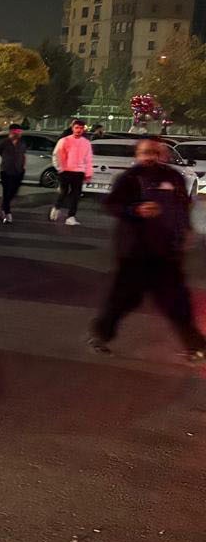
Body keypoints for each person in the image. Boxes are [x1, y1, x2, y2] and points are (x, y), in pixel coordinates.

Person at [89, 136, 206, 361]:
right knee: (124, 299)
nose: (150, 157)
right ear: (137, 155)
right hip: (135, 253)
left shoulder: (174, 177)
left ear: (162, 154)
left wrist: (186, 231)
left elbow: (182, 207)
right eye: (145, 153)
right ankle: (99, 336)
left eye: (154, 152)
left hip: (166, 252)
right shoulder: (130, 178)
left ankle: (196, 346)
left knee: (177, 301)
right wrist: (135, 210)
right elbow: (111, 204)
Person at [51, 119, 93, 225]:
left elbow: (88, 159)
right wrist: (60, 169)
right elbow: (56, 155)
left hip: (79, 172)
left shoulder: (86, 143)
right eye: (77, 128)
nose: (79, 130)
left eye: (81, 128)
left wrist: (88, 173)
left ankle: (71, 216)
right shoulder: (64, 140)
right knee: (64, 192)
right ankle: (56, 207)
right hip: (65, 171)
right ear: (72, 128)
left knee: (76, 195)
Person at [0, 123, 28, 222]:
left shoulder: (22, 143)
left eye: (20, 132)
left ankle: (0, 208)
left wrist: (24, 167)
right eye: (17, 132)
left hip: (18, 171)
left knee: (13, 192)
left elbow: (23, 156)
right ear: (12, 132)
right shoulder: (4, 143)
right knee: (6, 192)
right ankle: (7, 213)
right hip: (6, 171)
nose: (19, 133)